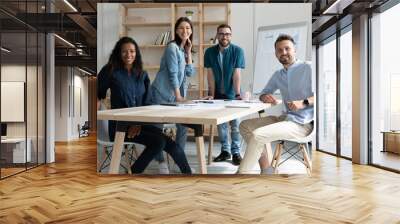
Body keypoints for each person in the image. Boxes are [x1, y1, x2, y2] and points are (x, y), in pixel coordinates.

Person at [97, 36, 191, 174]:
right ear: (118, 52)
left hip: (141, 124)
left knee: (172, 146)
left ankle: (188, 174)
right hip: (120, 127)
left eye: (132, 51)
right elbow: (98, 93)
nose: (128, 55)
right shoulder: (110, 70)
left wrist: (138, 123)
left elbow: (148, 103)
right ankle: (133, 173)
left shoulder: (142, 74)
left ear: (136, 53)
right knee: (158, 142)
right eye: (124, 51)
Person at [237, 34, 314, 174]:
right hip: (285, 119)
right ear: (276, 54)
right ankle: (266, 168)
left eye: (287, 48)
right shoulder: (278, 75)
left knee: (258, 135)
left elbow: (322, 96)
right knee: (244, 126)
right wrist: (266, 97)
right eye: (279, 50)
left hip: (303, 124)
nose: (283, 52)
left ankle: (239, 177)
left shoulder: (308, 68)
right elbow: (264, 93)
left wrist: (302, 103)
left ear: (294, 50)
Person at [151, 17, 195, 158]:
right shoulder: (172, 47)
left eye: (188, 28)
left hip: (174, 95)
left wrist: (188, 52)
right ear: (176, 31)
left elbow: (190, 72)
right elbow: (173, 74)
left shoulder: (182, 50)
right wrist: (179, 97)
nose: (185, 30)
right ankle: (160, 162)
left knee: (183, 126)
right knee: (158, 129)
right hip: (160, 93)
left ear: (191, 30)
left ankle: (178, 158)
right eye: (181, 28)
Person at [203, 24, 245, 165]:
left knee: (235, 125)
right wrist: (211, 94)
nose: (224, 36)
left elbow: (237, 73)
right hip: (217, 95)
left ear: (230, 36)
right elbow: (210, 75)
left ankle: (236, 152)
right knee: (221, 126)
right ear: (217, 35)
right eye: (221, 33)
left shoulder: (238, 51)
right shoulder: (209, 52)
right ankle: (225, 151)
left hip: (233, 94)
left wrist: (238, 94)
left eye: (227, 34)